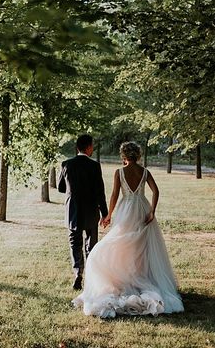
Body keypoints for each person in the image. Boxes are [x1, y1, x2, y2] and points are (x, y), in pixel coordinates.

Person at [72, 141, 184, 318]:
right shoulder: (145, 172)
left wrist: (108, 215)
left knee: (123, 245)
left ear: (124, 155)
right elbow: (156, 191)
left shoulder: (119, 172)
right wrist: (152, 211)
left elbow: (115, 194)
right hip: (142, 210)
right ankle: (139, 279)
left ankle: (126, 278)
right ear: (137, 155)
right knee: (141, 247)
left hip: (126, 211)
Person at [58, 134, 108, 290]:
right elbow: (100, 192)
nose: (93, 148)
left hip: (73, 210)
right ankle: (91, 275)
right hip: (91, 211)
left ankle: (77, 273)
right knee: (91, 243)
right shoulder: (94, 166)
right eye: (92, 146)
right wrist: (105, 213)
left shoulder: (66, 164)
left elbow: (61, 188)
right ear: (87, 147)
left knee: (75, 242)